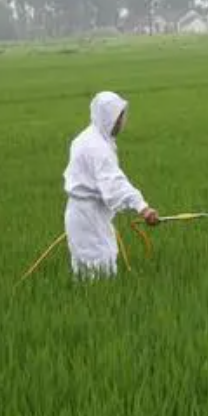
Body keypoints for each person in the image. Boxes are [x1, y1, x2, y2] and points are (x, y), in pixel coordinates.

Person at [63, 91, 159, 278]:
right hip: (89, 217)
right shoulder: (97, 147)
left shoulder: (87, 138)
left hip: (84, 214)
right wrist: (143, 208)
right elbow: (114, 183)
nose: (123, 121)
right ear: (109, 118)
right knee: (99, 268)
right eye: (120, 117)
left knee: (89, 268)